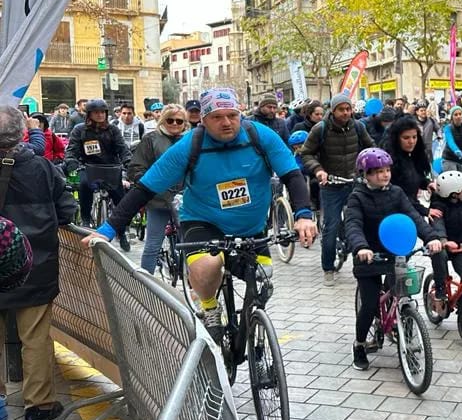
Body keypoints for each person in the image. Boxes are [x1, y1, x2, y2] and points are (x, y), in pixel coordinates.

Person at [86, 88, 317, 341]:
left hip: (251, 225)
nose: (227, 122)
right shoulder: (190, 145)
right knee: (207, 266)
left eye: (232, 115)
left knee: (264, 276)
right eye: (217, 117)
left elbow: (292, 175)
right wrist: (107, 230)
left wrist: (304, 214)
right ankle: (209, 306)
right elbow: (145, 189)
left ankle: (251, 322)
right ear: (203, 121)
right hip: (203, 220)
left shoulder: (260, 136)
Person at [0, 107, 78, 420]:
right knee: (35, 337)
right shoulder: (41, 167)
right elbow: (67, 209)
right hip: (34, 264)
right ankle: (38, 406)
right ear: (22, 133)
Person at [344, 148, 442, 369]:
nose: (384, 175)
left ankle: (403, 330)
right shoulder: (357, 197)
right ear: (365, 174)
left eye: (387, 170)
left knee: (401, 291)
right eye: (377, 171)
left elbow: (414, 217)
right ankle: (359, 344)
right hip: (368, 256)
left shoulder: (396, 193)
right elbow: (353, 224)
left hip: (394, 253)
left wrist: (431, 237)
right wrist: (360, 247)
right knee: (369, 304)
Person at [299, 94, 374, 286]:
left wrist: (370, 168)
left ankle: (363, 262)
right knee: (330, 227)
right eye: (341, 109)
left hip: (354, 183)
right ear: (333, 110)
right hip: (331, 186)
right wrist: (319, 171)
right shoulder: (320, 129)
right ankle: (328, 268)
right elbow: (306, 153)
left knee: (361, 222)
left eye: (348, 109)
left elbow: (371, 148)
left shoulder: (358, 127)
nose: (346, 113)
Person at [128, 104, 188, 274]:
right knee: (153, 244)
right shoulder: (151, 139)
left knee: (191, 244)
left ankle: (196, 287)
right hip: (158, 199)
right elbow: (136, 167)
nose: (175, 124)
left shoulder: (191, 140)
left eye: (179, 120)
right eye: (170, 120)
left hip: (186, 199)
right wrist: (148, 184)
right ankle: (146, 285)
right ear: (163, 120)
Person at [65, 98, 133, 250]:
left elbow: (122, 149)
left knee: (120, 200)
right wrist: (71, 161)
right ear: (89, 114)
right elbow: (72, 149)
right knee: (84, 185)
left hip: (111, 168)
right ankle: (86, 219)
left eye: (103, 112)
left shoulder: (112, 130)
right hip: (89, 167)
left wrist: (128, 163)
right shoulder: (80, 130)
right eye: (96, 112)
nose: (100, 115)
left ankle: (122, 232)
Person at [427, 170, 462, 315]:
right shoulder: (438, 206)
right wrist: (443, 241)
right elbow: (438, 224)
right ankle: (440, 289)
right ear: (453, 193)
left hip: (458, 246)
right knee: (439, 257)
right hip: (442, 245)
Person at [383, 114, 435, 218]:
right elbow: (400, 196)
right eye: (406, 138)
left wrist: (427, 184)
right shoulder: (389, 163)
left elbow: (415, 178)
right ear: (396, 139)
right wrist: (424, 210)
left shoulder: (412, 155)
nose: (411, 141)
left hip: (411, 210)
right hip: (395, 214)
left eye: (414, 137)